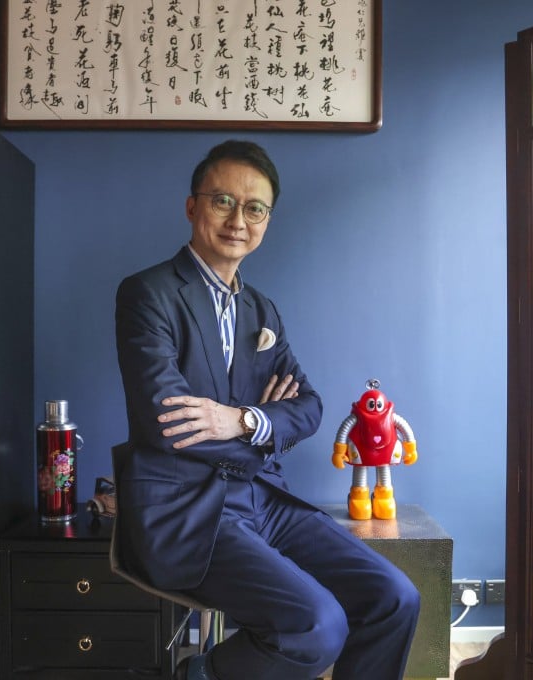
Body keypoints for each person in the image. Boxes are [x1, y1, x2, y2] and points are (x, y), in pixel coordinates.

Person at [114, 140, 420, 680]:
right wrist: (262, 426)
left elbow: (310, 407)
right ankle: (203, 673)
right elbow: (169, 421)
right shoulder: (149, 294)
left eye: (255, 208)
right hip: (184, 509)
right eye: (222, 201)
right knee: (317, 626)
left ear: (267, 220)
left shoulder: (262, 309)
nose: (239, 220)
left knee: (394, 597)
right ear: (192, 207)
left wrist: (242, 419)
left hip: (262, 497)